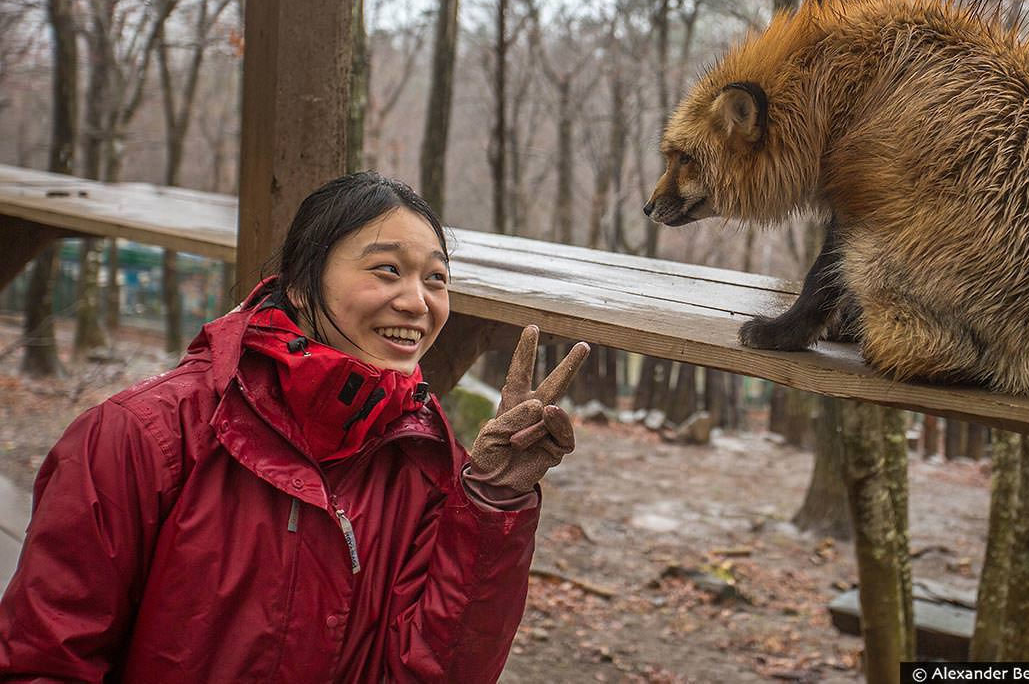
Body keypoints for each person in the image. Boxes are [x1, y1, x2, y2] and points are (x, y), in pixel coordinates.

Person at [0, 172, 588, 682]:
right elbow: (45, 658)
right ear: (302, 285)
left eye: (435, 278)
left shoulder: (426, 459)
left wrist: (491, 502)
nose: (417, 301)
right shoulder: (141, 436)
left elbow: (438, 671)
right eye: (387, 270)